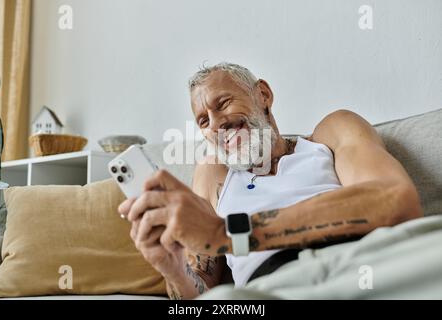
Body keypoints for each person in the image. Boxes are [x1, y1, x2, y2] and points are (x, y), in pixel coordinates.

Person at [118, 62, 422, 299]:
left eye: (222, 103)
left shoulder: (330, 134)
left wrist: (229, 233)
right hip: (269, 289)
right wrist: (174, 269)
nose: (216, 124)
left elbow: (396, 200)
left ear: (263, 94)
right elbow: (203, 297)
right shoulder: (213, 174)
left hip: (360, 266)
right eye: (203, 121)